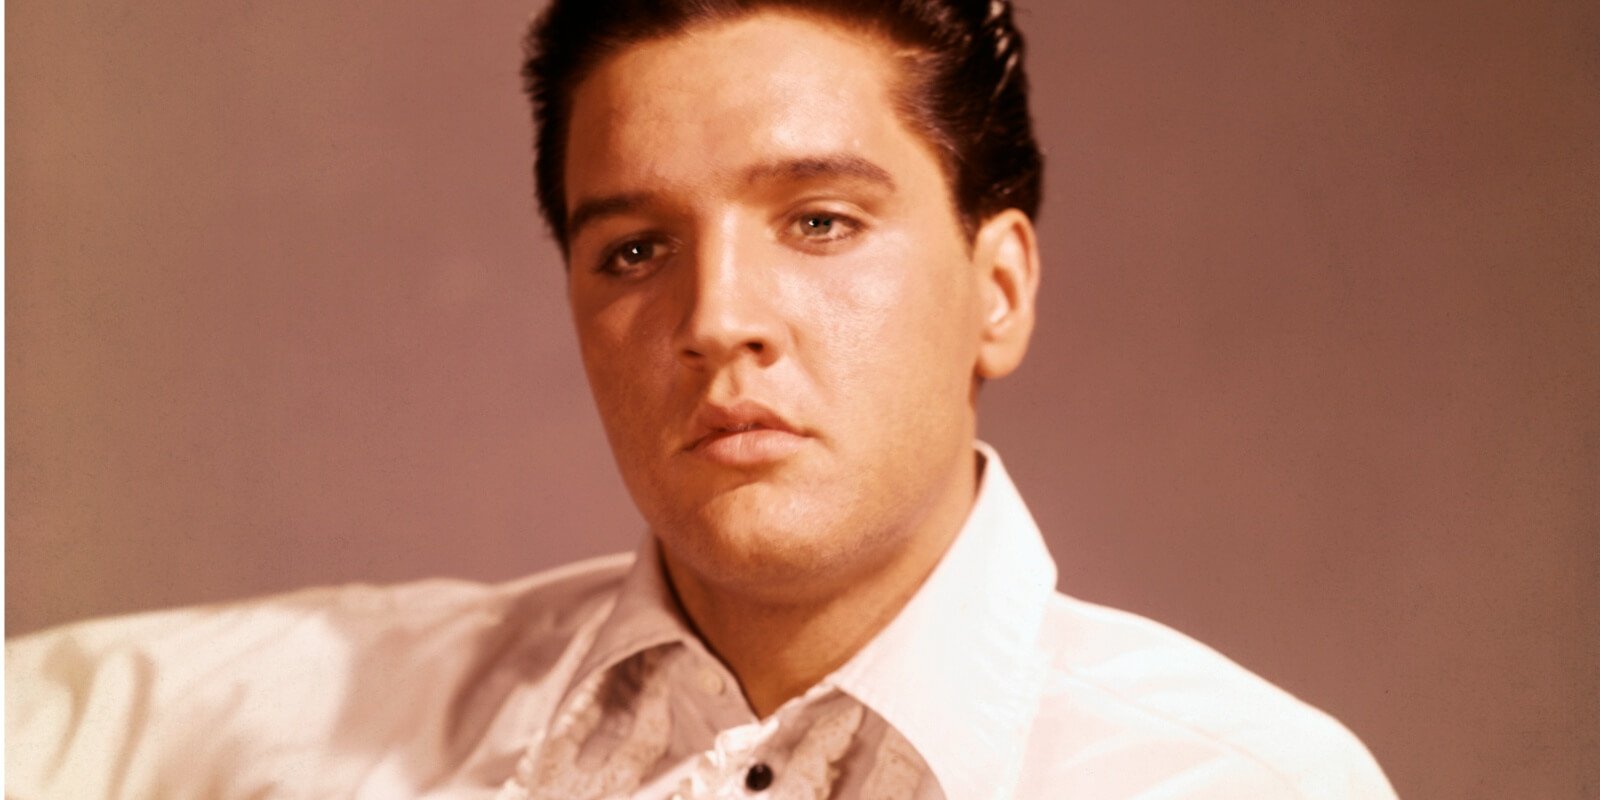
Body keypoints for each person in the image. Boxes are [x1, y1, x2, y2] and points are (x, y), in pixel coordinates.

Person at [5, 1, 1400, 798]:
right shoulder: (338, 721)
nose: (716, 319)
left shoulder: (1234, 786)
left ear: (1000, 287)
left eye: (820, 222)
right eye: (634, 250)